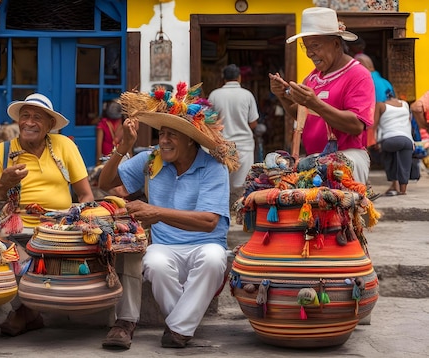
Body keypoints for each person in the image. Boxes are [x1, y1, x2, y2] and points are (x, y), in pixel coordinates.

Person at [98, 83, 239, 349]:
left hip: (204, 245)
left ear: (190, 139)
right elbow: (106, 183)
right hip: (165, 246)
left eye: (172, 135)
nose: (164, 140)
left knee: (213, 260)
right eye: (162, 133)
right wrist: (124, 145)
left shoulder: (213, 167)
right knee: (155, 263)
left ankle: (176, 328)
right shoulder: (153, 159)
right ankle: (181, 328)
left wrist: (156, 212)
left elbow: (209, 222)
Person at [0, 93, 94, 335]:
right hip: (16, 228)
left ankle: (24, 313)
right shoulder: (3, 151)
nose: (29, 122)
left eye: (37, 117)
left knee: (46, 255)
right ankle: (24, 312)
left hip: (58, 227)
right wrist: (2, 183)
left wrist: (76, 222)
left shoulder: (64, 146)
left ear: (49, 125)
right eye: (24, 116)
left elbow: (86, 195)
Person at [268, 7, 375, 184]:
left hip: (347, 157)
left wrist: (316, 103)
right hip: (315, 160)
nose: (310, 53)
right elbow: (301, 114)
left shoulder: (358, 75)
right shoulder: (312, 78)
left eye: (315, 46)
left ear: (336, 44)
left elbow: (356, 125)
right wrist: (283, 96)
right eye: (306, 47)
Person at [208, 63, 259, 203]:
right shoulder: (247, 95)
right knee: (242, 184)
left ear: (223, 78)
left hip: (222, 146)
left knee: (222, 181)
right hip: (245, 145)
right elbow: (253, 122)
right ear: (239, 77)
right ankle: (241, 212)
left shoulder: (214, 95)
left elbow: (209, 121)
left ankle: (223, 211)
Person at [373, 90, 414, 195]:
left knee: (389, 158)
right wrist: (412, 141)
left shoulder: (380, 105)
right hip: (406, 140)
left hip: (390, 139)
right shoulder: (405, 104)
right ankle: (403, 190)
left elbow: (375, 125)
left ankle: (394, 184)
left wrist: (376, 141)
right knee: (405, 164)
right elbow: (409, 123)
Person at [95, 99, 124, 165]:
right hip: (119, 156)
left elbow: (99, 144)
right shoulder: (123, 123)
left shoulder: (103, 123)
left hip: (106, 156)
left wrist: (98, 161)